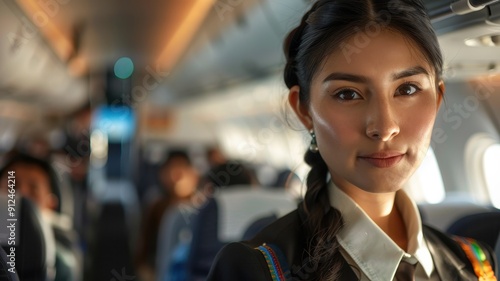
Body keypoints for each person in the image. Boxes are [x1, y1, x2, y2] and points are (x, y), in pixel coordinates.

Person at [207, 1, 498, 280]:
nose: (384, 127)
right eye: (347, 94)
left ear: (437, 98)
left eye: (407, 89)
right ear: (304, 110)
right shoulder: (255, 270)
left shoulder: (473, 263)